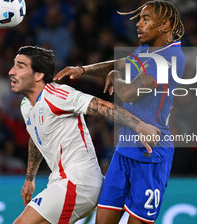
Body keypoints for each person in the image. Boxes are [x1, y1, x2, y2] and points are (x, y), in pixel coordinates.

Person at [54, 0, 185, 224]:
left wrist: (116, 76)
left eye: (146, 19)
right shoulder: (146, 50)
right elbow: (121, 63)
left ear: (165, 25)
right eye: (139, 19)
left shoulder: (170, 58)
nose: (138, 24)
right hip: (125, 149)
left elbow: (129, 93)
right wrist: (83, 70)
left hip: (151, 154)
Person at [9, 46, 160, 224]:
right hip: (62, 181)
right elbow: (37, 136)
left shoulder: (57, 95)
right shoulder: (26, 105)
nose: (11, 72)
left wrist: (139, 125)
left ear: (38, 75)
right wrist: (30, 178)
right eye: (14, 65)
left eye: (20, 66)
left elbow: (102, 106)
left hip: (78, 181)